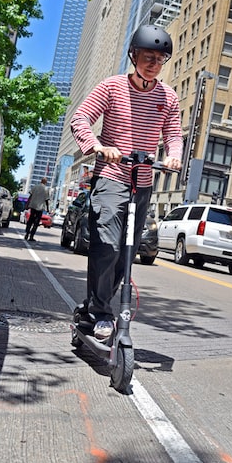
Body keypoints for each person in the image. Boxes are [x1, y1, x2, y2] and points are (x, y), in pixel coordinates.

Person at [70, 25, 183, 341]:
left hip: (143, 183)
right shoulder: (111, 87)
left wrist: (173, 155)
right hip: (111, 178)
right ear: (134, 55)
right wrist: (97, 146)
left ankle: (93, 306)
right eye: (148, 57)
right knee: (106, 245)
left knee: (126, 253)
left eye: (160, 60)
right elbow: (80, 119)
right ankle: (103, 313)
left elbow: (173, 134)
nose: (154, 64)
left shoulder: (168, 97)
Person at [25, 177, 50, 241]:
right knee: (36, 223)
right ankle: (31, 236)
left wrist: (27, 204)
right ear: (45, 182)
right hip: (40, 208)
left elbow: (30, 196)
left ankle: (27, 233)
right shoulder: (46, 189)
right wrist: (47, 208)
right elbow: (47, 200)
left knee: (30, 220)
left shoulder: (35, 187)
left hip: (33, 206)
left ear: (41, 181)